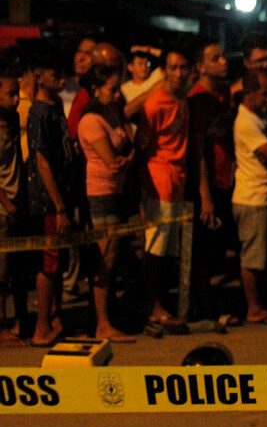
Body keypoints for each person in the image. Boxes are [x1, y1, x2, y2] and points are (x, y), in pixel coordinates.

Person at [77, 66, 136, 343]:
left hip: (116, 191)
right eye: (112, 89)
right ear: (96, 89)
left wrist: (128, 157)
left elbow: (126, 152)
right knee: (105, 257)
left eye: (118, 88)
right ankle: (102, 323)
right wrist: (129, 157)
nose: (117, 94)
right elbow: (113, 163)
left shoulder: (112, 113)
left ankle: (105, 318)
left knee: (113, 256)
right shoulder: (90, 120)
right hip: (101, 192)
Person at [135, 47, 191, 329]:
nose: (179, 73)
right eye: (173, 67)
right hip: (160, 180)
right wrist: (147, 191)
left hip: (177, 179)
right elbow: (143, 148)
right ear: (165, 71)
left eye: (184, 67)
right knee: (155, 248)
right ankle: (152, 306)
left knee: (169, 249)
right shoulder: (155, 104)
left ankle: (163, 305)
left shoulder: (182, 98)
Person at [26, 50, 79, 346]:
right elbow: (42, 160)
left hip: (62, 197)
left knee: (57, 261)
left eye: (63, 72)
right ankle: (41, 326)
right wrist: (58, 206)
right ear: (39, 75)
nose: (61, 78)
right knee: (48, 263)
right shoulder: (39, 112)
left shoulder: (56, 104)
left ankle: (54, 318)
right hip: (49, 202)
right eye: (54, 72)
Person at [187, 40, 236, 322]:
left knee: (215, 248)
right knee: (201, 249)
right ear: (200, 66)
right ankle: (202, 307)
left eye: (224, 56)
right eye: (215, 58)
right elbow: (199, 151)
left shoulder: (223, 95)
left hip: (226, 178)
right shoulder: (198, 100)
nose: (223, 61)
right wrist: (205, 194)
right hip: (208, 182)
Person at [232, 70, 267, 324]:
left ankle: (260, 304)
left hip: (262, 195)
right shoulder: (246, 122)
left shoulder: (258, 116)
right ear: (249, 93)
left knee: (260, 255)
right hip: (253, 197)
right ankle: (253, 308)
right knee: (252, 257)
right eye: (265, 94)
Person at [0, 65, 27, 347]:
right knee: (1, 273)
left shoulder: (12, 117)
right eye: (10, 94)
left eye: (17, 93)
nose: (17, 98)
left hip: (14, 205)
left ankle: (14, 321)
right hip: (3, 208)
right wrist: (7, 203)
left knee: (11, 270)